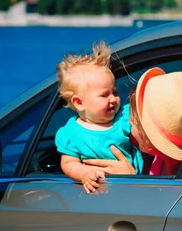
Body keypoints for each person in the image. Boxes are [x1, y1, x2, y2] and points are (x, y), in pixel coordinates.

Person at [83, 67, 182, 176]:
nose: (128, 121)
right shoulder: (160, 160)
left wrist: (130, 179)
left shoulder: (180, 179)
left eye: (133, 117)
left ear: (148, 133)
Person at [54, 41, 144, 193]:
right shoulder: (71, 134)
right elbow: (69, 163)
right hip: (102, 194)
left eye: (114, 92)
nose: (113, 99)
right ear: (79, 102)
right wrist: (84, 173)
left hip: (136, 186)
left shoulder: (124, 116)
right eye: (104, 95)